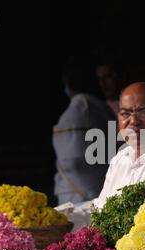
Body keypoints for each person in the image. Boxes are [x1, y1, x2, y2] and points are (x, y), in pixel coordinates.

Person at [53, 56, 116, 205]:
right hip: (90, 189)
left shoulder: (85, 109)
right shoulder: (100, 108)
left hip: (79, 192)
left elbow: (72, 159)